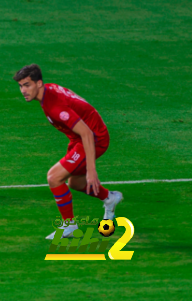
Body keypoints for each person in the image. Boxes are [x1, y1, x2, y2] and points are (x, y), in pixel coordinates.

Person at [13, 64, 123, 239]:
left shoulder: (56, 107)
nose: (23, 90)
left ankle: (70, 226)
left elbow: (86, 132)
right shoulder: (48, 90)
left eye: (27, 85)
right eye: (20, 86)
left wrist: (91, 170)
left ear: (39, 83)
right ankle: (110, 198)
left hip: (93, 139)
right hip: (79, 138)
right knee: (75, 183)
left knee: (54, 177)